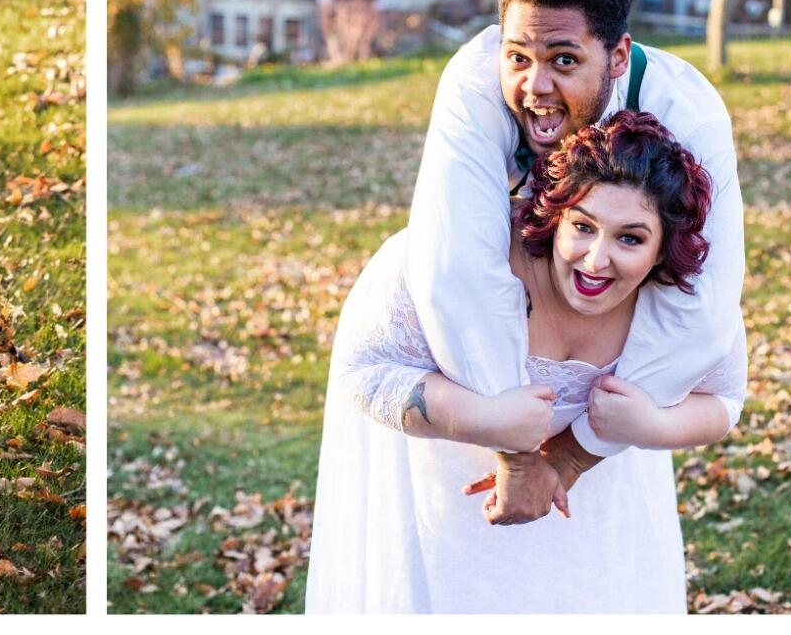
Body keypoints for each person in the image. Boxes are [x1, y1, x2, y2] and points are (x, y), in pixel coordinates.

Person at [306, 108, 745, 612]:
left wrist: (650, 425)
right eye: (583, 226)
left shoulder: (680, 306)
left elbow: (724, 398)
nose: (596, 260)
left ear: (663, 249)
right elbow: (365, 371)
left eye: (630, 238)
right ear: (556, 217)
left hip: (598, 526)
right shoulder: (450, 263)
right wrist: (487, 421)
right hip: (449, 517)